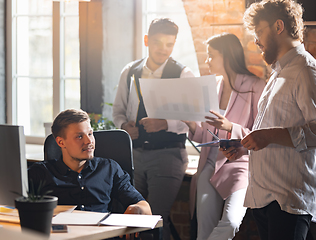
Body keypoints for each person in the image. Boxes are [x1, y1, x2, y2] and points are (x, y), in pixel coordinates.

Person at [222, 1, 316, 239]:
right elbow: (274, 129)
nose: (256, 40)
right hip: (265, 197)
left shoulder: (307, 72)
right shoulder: (278, 74)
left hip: (288, 199)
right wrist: (246, 146)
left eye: (259, 31)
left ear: (279, 26)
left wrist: (267, 136)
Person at [112, 18, 194, 240]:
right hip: (135, 155)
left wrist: (165, 123)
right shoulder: (130, 71)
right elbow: (118, 110)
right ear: (147, 40)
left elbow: (194, 119)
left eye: (170, 44)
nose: (163, 50)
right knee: (132, 217)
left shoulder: (183, 74)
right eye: (158, 43)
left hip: (169, 155)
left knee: (156, 218)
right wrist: (123, 126)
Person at [184, 33, 266, 240]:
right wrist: (191, 124)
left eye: (211, 55)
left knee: (230, 222)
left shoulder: (255, 86)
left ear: (227, 56)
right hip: (209, 165)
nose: (207, 60)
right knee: (204, 230)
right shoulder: (212, 87)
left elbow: (262, 134)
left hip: (240, 165)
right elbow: (206, 134)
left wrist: (231, 127)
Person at [28, 109, 152, 216]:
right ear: (61, 142)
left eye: (90, 134)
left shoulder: (109, 169)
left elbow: (144, 206)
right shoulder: (41, 173)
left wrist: (136, 209)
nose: (89, 141)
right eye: (79, 136)